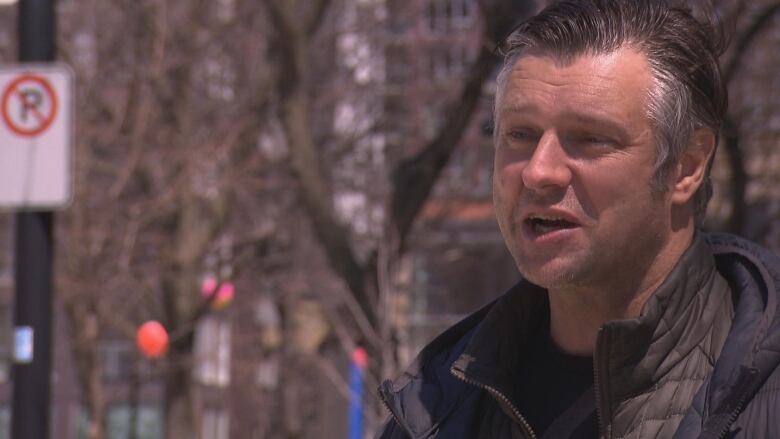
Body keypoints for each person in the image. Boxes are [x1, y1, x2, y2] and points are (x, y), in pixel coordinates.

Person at [374, 1, 780, 438]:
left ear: (687, 166)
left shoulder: (761, 399)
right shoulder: (430, 410)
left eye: (590, 139)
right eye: (520, 134)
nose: (538, 171)